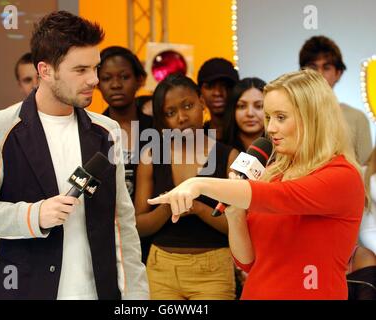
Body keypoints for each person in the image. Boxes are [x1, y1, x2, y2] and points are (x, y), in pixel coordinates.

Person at [0, 11, 148, 300]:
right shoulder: (0, 127)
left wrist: (136, 297)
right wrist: (34, 215)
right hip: (26, 289)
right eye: (80, 70)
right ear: (45, 71)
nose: (93, 79)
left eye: (95, 68)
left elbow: (122, 223)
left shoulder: (106, 131)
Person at [148, 69, 365, 300]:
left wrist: (198, 184)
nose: (270, 128)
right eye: (269, 117)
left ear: (312, 118)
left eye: (281, 118)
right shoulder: (271, 173)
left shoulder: (341, 175)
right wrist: (235, 213)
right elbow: (247, 261)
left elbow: (281, 197)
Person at [135, 73, 239, 300]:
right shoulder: (151, 156)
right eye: (170, 113)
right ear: (163, 120)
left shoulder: (229, 157)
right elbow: (139, 225)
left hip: (214, 269)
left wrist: (198, 208)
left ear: (202, 102)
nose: (181, 117)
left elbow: (239, 227)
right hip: (161, 266)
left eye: (188, 106)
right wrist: (170, 205)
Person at [97, 46, 154, 263]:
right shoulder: (90, 133)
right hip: (105, 237)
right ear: (97, 83)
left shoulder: (157, 130)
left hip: (150, 240)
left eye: (124, 76)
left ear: (140, 80)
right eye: (106, 78)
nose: (116, 84)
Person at [299, 35, 372, 165]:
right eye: (313, 67)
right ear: (302, 73)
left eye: (326, 67)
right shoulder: (290, 115)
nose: (319, 74)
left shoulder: (357, 118)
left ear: (338, 73)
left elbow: (365, 175)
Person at [197, 58, 239, 141]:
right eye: (210, 86)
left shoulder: (249, 134)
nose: (217, 93)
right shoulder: (195, 137)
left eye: (225, 85)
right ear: (199, 92)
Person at [222, 77, 266, 152]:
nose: (250, 113)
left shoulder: (282, 150)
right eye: (242, 106)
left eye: (258, 106)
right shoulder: (219, 150)